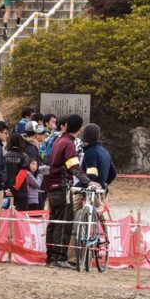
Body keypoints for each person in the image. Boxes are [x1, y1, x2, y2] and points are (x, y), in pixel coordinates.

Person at [43, 113, 85, 268]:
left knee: (53, 221)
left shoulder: (58, 140)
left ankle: (50, 257)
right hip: (62, 186)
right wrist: (87, 180)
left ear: (66, 125)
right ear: (80, 128)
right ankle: (60, 258)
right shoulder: (69, 144)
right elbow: (73, 165)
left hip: (51, 186)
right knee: (65, 222)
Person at [80, 124, 116, 190]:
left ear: (85, 136)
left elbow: (92, 175)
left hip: (89, 193)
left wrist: (77, 186)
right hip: (99, 192)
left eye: (83, 133)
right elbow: (113, 174)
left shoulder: (90, 152)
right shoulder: (105, 151)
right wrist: (102, 185)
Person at [4, 132, 30, 211]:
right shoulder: (25, 157)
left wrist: (7, 188)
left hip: (7, 190)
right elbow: (22, 175)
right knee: (21, 217)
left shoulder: (5, 156)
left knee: (7, 216)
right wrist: (14, 189)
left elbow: (3, 172)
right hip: (21, 191)